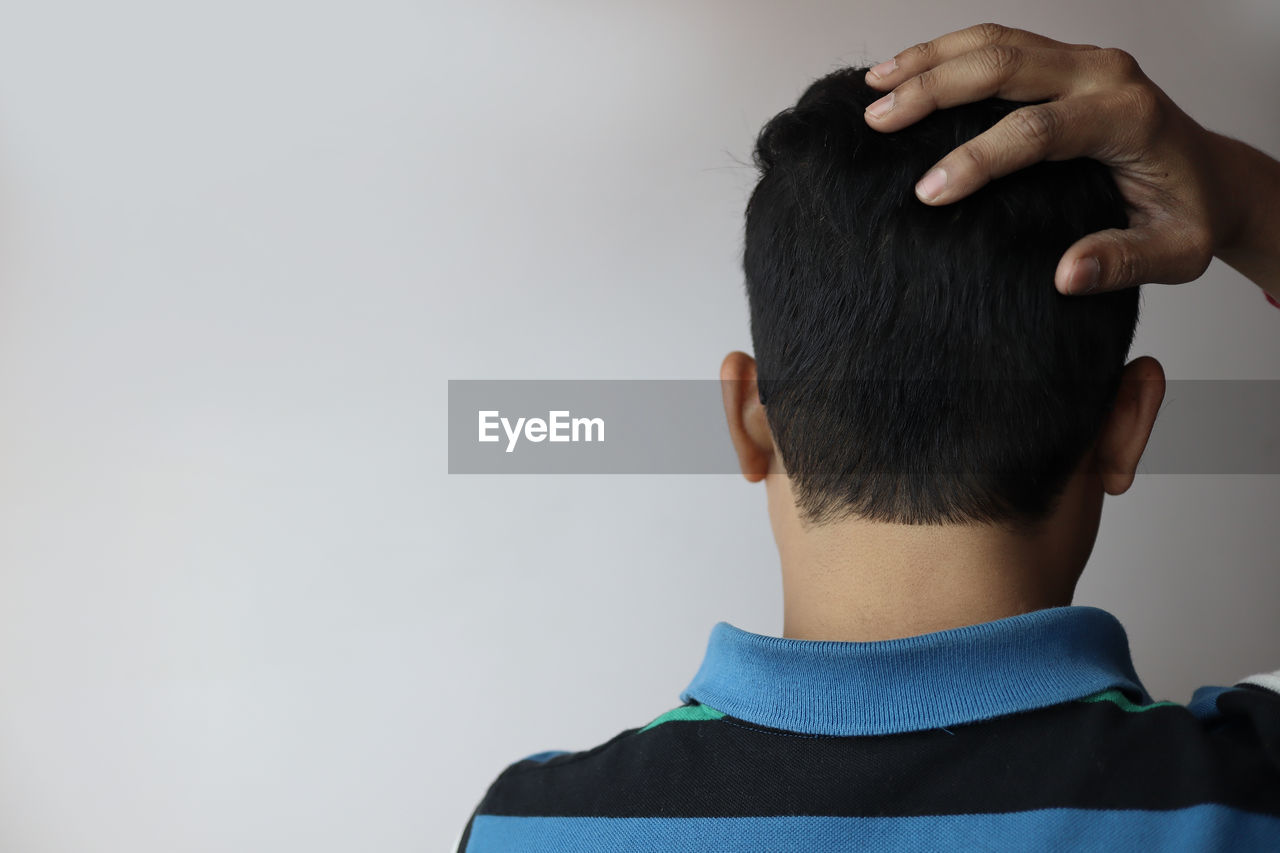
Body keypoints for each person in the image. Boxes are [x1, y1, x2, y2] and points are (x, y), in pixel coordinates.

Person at [455, 23, 1280, 852]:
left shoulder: (525, 828)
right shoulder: (1251, 795)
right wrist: (1246, 201)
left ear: (746, 414)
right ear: (1129, 425)